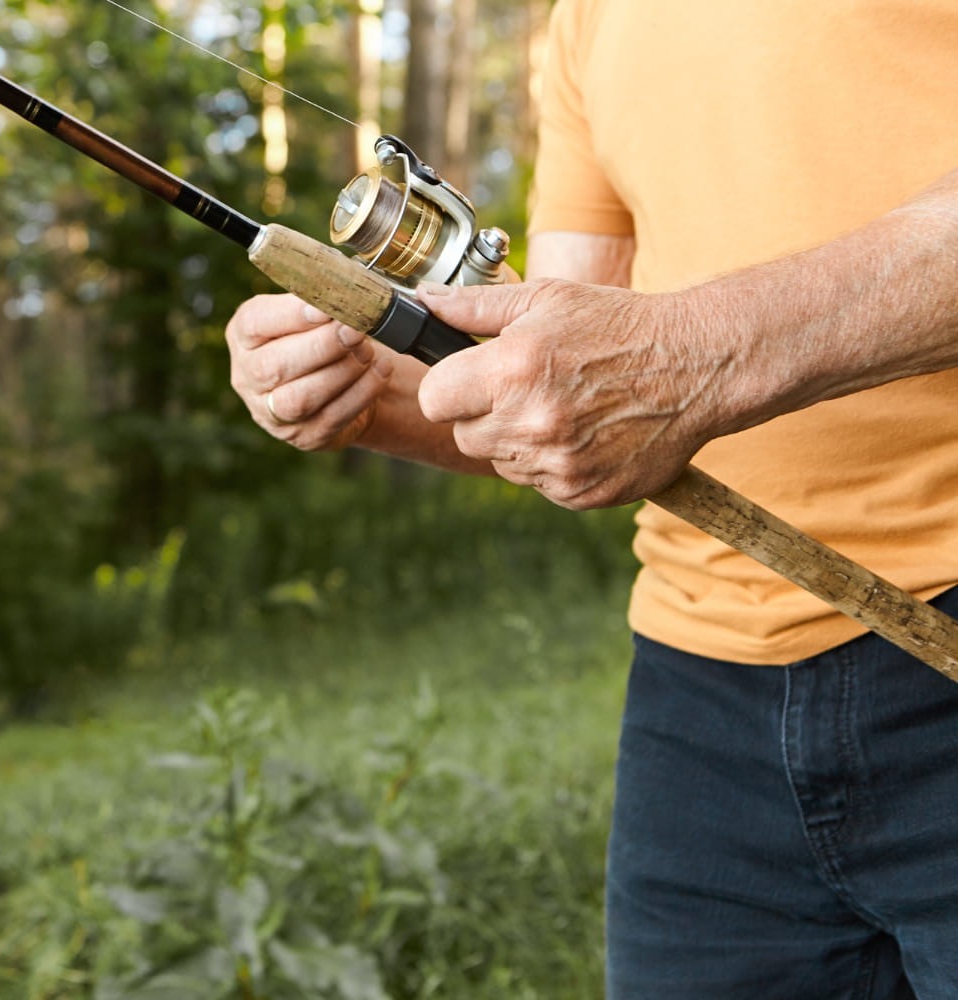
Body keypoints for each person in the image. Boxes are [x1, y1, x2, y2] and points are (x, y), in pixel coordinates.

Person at [224, 1, 958, 996]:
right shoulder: (589, 19)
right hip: (698, 711)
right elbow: (566, 374)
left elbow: (657, 366)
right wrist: (367, 390)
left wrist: (698, 355)